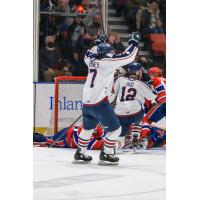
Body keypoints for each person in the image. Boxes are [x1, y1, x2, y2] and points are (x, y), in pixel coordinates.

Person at [73, 32, 141, 165]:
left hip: (87, 104)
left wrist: (98, 42)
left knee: (87, 129)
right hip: (99, 103)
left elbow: (92, 51)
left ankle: (80, 153)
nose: (112, 53)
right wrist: (134, 42)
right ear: (106, 54)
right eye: (110, 51)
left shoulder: (89, 59)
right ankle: (107, 154)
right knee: (116, 129)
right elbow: (128, 56)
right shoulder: (107, 62)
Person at [110, 62, 156, 151]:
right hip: (135, 112)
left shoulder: (120, 79)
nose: (141, 73)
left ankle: (113, 148)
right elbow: (152, 96)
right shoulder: (140, 83)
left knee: (121, 138)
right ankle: (136, 135)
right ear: (137, 72)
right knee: (141, 116)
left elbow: (111, 94)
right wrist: (151, 86)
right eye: (140, 71)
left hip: (120, 112)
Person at [140, 66, 166, 144]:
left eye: (150, 74)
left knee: (146, 120)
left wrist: (147, 106)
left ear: (154, 74)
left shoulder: (152, 80)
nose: (149, 76)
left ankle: (144, 139)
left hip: (164, 102)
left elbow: (148, 95)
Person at [33, 124, 105, 150]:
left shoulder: (96, 127)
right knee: (49, 140)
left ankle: (35, 136)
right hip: (66, 137)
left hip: (69, 132)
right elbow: (95, 145)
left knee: (50, 138)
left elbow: (101, 137)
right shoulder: (86, 134)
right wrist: (107, 144)